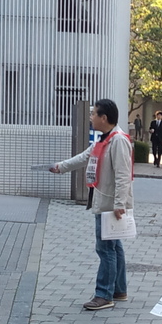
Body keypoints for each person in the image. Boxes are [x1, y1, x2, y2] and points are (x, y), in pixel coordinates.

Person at [49, 99, 134, 311]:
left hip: (110, 205)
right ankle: (119, 290)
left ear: (104, 118)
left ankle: (104, 294)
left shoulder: (118, 141)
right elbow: (84, 158)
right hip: (106, 202)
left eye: (93, 113)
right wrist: (61, 167)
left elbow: (124, 175)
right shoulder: (103, 140)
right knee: (114, 246)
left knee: (105, 249)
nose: (91, 117)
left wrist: (119, 204)